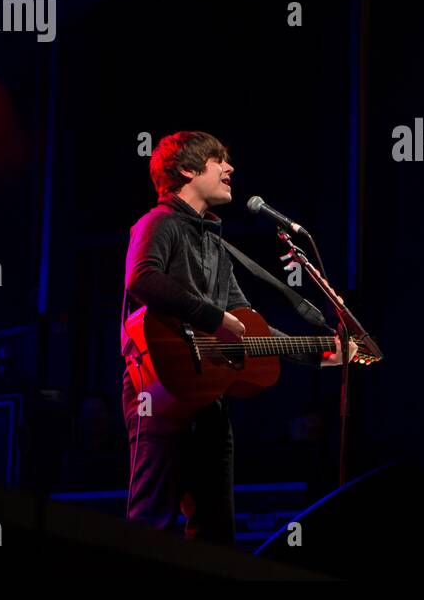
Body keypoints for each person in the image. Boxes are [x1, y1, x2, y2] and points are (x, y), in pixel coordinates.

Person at [119, 130, 352, 543]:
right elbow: (143, 278)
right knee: (150, 523)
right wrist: (213, 317)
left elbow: (250, 327)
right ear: (188, 170)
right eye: (218, 160)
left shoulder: (216, 243)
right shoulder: (158, 223)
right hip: (158, 391)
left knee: (215, 532)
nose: (231, 168)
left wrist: (327, 353)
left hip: (208, 399)